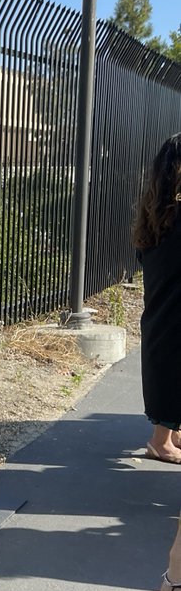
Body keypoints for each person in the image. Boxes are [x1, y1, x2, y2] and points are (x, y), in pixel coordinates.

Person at [132, 134, 181, 463]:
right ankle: (159, 441)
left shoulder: (155, 217)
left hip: (160, 314)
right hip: (174, 315)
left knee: (168, 371)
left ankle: (171, 434)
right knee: (172, 372)